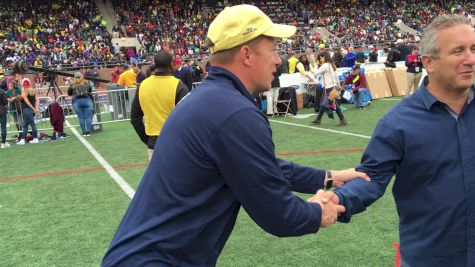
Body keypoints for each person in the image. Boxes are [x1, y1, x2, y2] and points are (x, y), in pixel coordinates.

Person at [102, 5, 369, 266]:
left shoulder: (212, 99)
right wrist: (319, 212)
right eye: (273, 50)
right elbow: (279, 214)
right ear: (246, 54)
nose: (278, 60)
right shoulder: (234, 112)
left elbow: (260, 167)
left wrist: (328, 177)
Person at [333, 14, 475, 266]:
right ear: (428, 62)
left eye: (474, 49)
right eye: (458, 51)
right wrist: (339, 200)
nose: (470, 59)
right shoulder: (398, 122)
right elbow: (371, 178)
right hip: (431, 257)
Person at [130, 50, 189, 161]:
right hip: (176, 143)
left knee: (158, 178)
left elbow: (135, 118)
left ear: (154, 64)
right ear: (172, 64)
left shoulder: (143, 85)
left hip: (154, 142)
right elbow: (188, 119)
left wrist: (147, 140)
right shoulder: (179, 85)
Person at [312, 51, 348, 126]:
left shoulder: (325, 65)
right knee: (324, 103)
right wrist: (338, 85)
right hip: (332, 86)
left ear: (324, 57)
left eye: (320, 58)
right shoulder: (332, 64)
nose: (320, 59)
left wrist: (315, 64)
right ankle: (318, 119)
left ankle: (342, 119)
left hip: (329, 87)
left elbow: (315, 73)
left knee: (332, 104)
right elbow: (336, 76)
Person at [67, 72, 93, 136]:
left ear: (74, 77)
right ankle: (88, 132)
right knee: (88, 117)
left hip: (76, 102)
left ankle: (84, 132)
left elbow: (69, 93)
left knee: (81, 117)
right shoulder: (86, 82)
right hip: (87, 100)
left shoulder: (72, 84)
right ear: (81, 76)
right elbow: (90, 90)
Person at [17, 78, 39, 145]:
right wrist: (36, 108)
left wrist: (34, 109)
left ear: (23, 85)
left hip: (27, 110)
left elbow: (28, 103)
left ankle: (35, 138)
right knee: (25, 125)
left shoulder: (24, 93)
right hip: (31, 111)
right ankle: (23, 139)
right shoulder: (33, 91)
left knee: (32, 125)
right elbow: (37, 100)